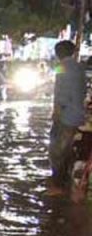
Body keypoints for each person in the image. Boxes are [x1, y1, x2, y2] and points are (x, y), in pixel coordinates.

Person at [47, 40, 88, 196]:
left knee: (57, 150)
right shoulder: (79, 67)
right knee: (66, 149)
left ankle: (59, 184)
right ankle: (64, 180)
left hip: (66, 115)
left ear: (58, 53)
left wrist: (56, 113)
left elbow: (60, 93)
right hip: (78, 114)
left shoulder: (61, 67)